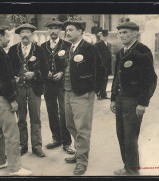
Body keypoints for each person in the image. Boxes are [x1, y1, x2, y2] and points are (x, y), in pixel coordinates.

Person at [0, 23, 32, 176]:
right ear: (0, 37)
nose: (9, 38)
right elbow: (2, 80)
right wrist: (12, 99)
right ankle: (15, 168)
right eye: (7, 35)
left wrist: (12, 80)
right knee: (12, 133)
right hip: (2, 99)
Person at [110, 19, 157, 176]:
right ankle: (128, 166)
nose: (121, 36)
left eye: (125, 33)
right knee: (121, 134)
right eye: (120, 33)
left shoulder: (142, 51)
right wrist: (113, 98)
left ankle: (132, 171)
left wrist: (143, 103)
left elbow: (151, 79)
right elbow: (117, 77)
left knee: (131, 137)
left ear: (135, 33)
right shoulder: (121, 52)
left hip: (133, 101)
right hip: (121, 99)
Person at [62, 16, 100, 175]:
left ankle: (82, 161)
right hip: (68, 92)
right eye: (66, 30)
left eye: (71, 30)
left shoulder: (90, 48)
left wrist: (92, 90)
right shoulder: (69, 47)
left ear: (80, 31)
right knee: (70, 124)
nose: (67, 32)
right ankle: (79, 152)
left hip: (83, 94)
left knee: (82, 128)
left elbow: (100, 70)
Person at [8, 23, 48, 157]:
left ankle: (37, 147)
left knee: (36, 119)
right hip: (19, 89)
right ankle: (22, 145)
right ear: (19, 35)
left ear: (32, 34)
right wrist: (14, 78)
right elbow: (9, 70)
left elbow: (45, 69)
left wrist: (35, 74)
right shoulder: (13, 50)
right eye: (22, 32)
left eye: (28, 32)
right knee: (21, 119)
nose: (25, 35)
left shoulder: (39, 50)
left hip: (34, 88)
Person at [41, 17, 75, 155]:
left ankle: (67, 143)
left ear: (60, 30)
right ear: (48, 30)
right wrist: (46, 72)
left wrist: (62, 72)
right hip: (48, 84)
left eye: (56, 28)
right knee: (51, 111)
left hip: (62, 83)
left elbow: (70, 63)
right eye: (51, 28)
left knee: (64, 112)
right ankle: (56, 138)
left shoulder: (67, 45)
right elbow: (40, 64)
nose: (53, 31)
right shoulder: (42, 46)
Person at [95, 29, 112, 100]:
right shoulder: (97, 44)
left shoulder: (109, 45)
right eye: (103, 36)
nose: (105, 37)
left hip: (107, 66)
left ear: (108, 36)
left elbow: (109, 55)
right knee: (99, 79)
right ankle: (98, 93)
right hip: (100, 66)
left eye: (106, 36)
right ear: (101, 36)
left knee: (105, 79)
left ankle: (103, 93)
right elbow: (96, 56)